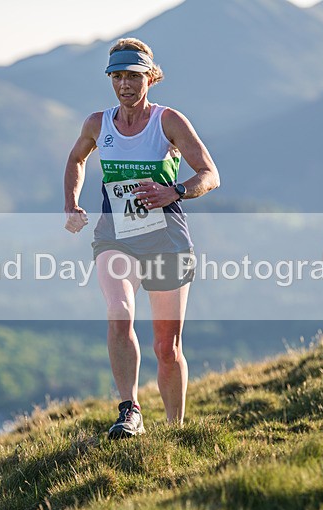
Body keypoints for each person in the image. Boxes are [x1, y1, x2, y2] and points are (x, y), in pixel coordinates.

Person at [63, 38, 219, 438]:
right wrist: (72, 203)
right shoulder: (98, 123)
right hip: (115, 235)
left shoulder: (169, 121)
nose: (124, 84)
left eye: (133, 75)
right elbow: (77, 158)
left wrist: (176, 191)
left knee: (167, 348)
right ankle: (129, 410)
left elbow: (209, 174)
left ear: (150, 76)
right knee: (120, 314)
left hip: (166, 237)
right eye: (117, 76)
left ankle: (174, 430)